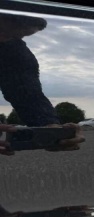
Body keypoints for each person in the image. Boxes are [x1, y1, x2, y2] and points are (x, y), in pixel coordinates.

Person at [0, 13, 84, 155]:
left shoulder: (14, 51)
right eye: (3, 32)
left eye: (18, 36)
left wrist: (50, 129)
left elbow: (26, 93)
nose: (4, 40)